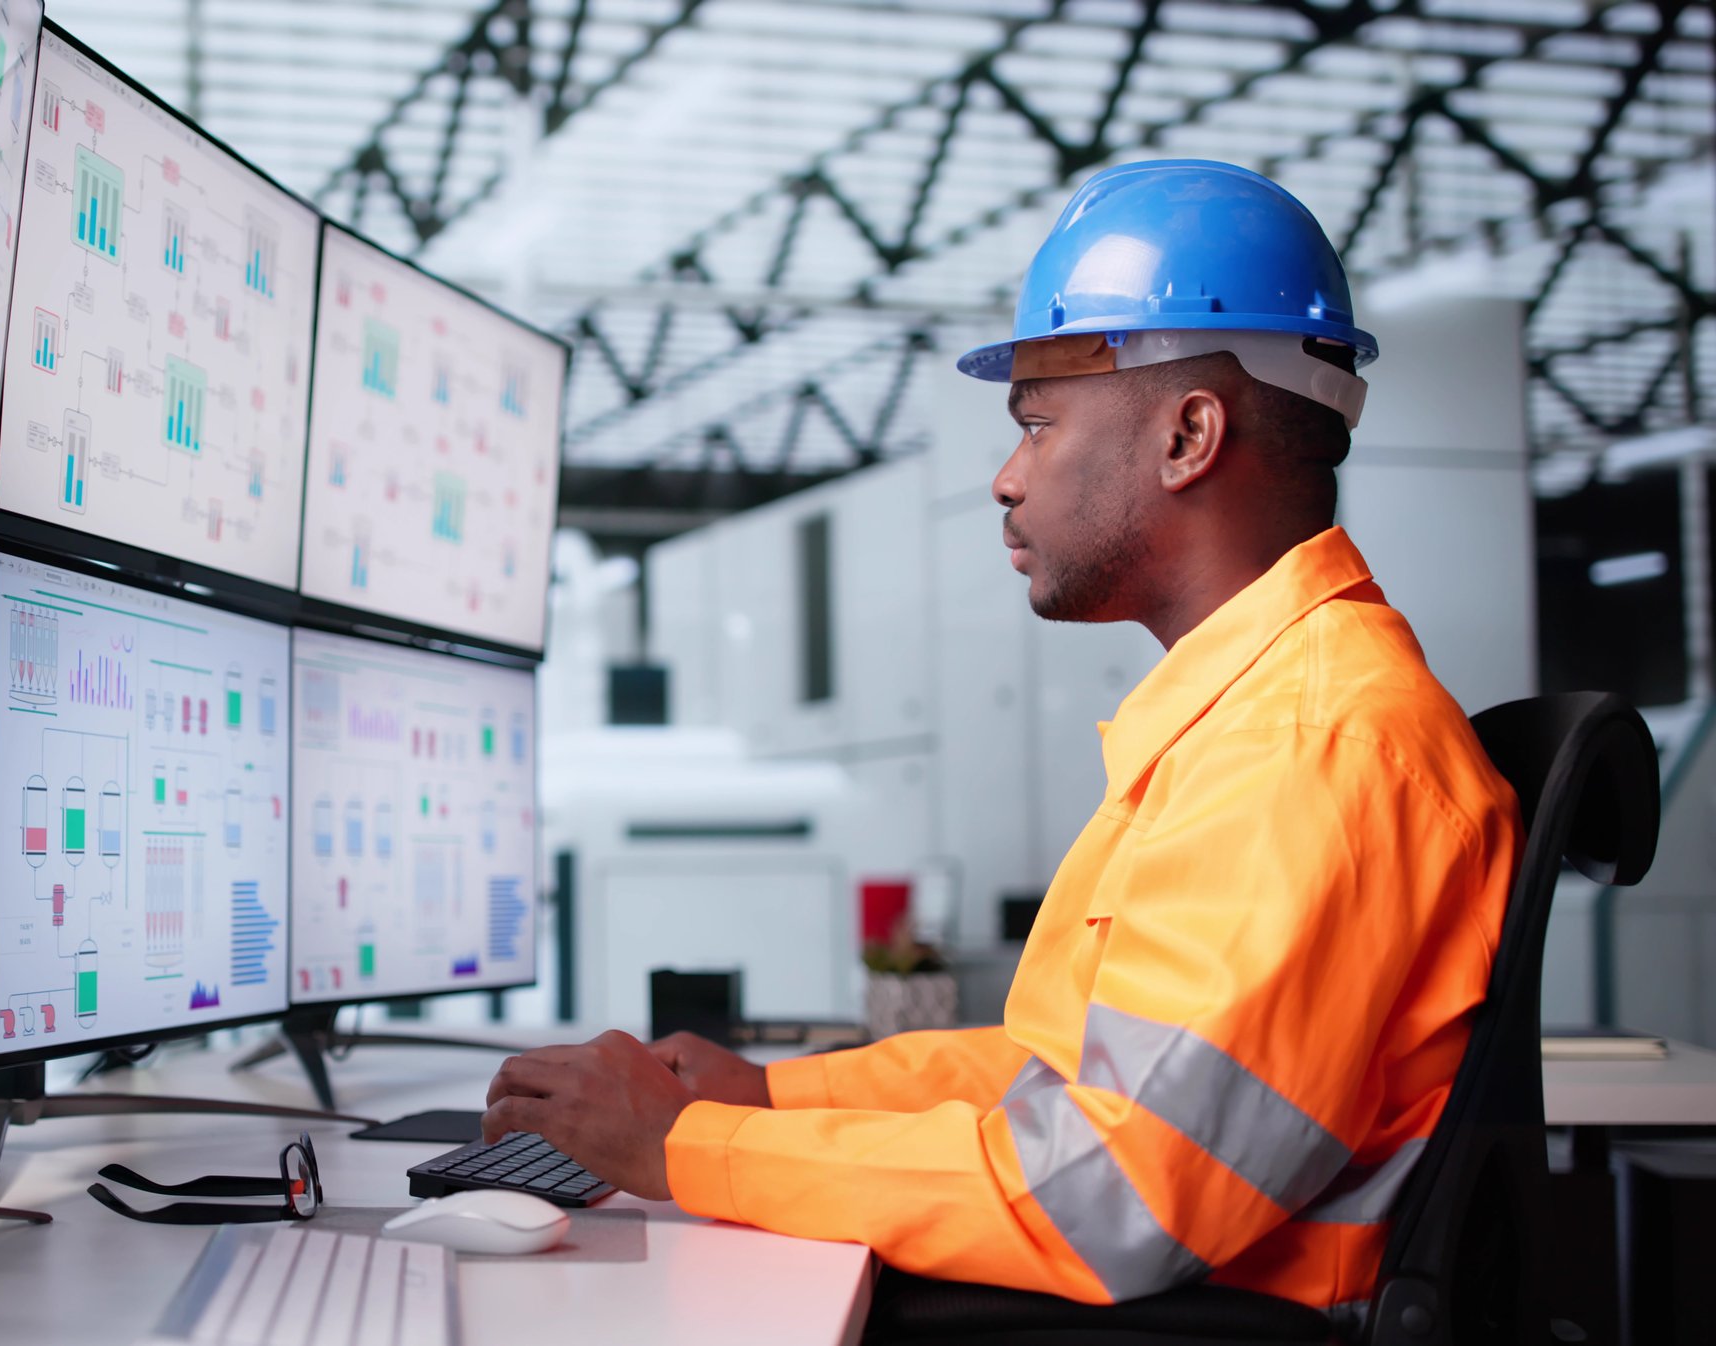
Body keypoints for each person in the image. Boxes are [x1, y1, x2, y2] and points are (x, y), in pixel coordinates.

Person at [480, 160, 1521, 1325]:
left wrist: (691, 1147)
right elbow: (1054, 1078)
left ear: (1188, 434)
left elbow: (1116, 1189)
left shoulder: (1309, 743)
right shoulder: (1257, 713)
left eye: (1037, 422)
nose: (1006, 477)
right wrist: (768, 1094)